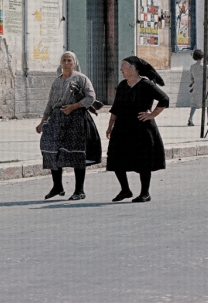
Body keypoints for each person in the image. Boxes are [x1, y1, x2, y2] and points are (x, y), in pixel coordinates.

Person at [36, 51, 100, 201]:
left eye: (69, 60)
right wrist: (42, 121)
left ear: (74, 62)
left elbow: (91, 97)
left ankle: (79, 190)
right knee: (51, 149)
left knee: (76, 153)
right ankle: (57, 186)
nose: (66, 63)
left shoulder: (81, 79)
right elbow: (50, 103)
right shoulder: (57, 82)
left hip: (76, 118)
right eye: (63, 60)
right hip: (56, 119)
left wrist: (73, 106)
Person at [106, 56, 169, 203]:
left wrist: (151, 115)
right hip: (121, 127)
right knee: (116, 158)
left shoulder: (146, 85)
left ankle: (145, 193)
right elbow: (115, 108)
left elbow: (164, 99)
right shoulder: (122, 85)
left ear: (133, 68)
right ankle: (125, 190)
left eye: (124, 66)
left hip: (141, 128)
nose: (121, 69)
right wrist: (110, 126)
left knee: (143, 161)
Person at [188, 49, 208, 126]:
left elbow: (192, 78)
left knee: (194, 103)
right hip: (205, 86)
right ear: (202, 57)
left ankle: (190, 119)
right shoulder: (205, 66)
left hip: (196, 86)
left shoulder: (192, 67)